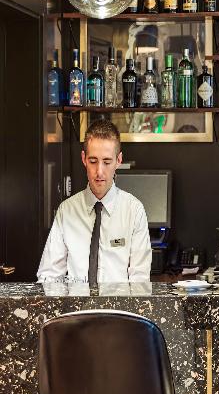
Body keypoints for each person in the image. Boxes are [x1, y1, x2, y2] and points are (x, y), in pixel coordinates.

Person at [37, 120, 151, 283]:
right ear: (83, 159)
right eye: (93, 161)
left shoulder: (134, 211)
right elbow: (49, 276)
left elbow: (140, 281)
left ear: (118, 160)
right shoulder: (67, 211)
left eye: (107, 162)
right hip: (76, 300)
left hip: (118, 300)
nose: (99, 171)